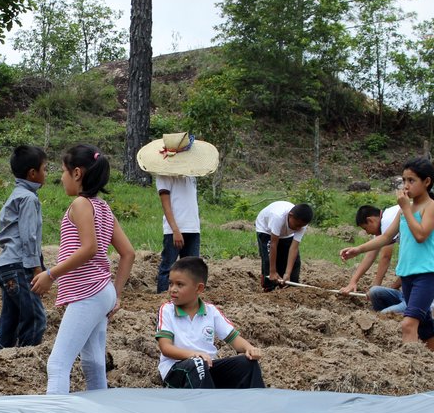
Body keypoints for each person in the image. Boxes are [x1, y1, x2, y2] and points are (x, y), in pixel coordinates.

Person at [31, 145, 135, 395]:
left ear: (77, 173)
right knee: (93, 363)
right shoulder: (103, 207)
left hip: (87, 293)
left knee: (57, 364)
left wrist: (50, 274)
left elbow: (89, 248)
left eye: (64, 172)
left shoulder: (80, 204)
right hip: (103, 291)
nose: (62, 179)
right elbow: (128, 253)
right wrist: (116, 295)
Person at [340, 157, 434, 350]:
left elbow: (421, 234)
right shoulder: (405, 210)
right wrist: (358, 249)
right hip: (408, 274)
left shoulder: (433, 207)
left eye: (411, 181)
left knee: (408, 324)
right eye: (404, 180)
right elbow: (387, 236)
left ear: (427, 182)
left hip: (426, 274)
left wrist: (405, 208)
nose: (406, 186)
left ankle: (411, 369)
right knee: (426, 325)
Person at [155, 257, 265, 389]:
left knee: (248, 363)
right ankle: (208, 406)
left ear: (199, 288)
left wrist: (249, 348)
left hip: (206, 369)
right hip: (176, 371)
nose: (173, 289)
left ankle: (256, 405)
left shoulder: (211, 311)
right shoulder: (167, 310)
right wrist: (193, 355)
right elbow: (165, 348)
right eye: (170, 283)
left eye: (180, 284)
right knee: (197, 363)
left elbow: (234, 339)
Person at [134, 132, 219, 293]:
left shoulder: (190, 176)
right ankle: (162, 299)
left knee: (192, 267)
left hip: (193, 227)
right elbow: (166, 205)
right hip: (175, 229)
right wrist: (175, 230)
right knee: (169, 267)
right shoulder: (164, 177)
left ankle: (190, 298)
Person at [341, 203, 434, 313]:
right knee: (379, 292)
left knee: (423, 269)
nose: (367, 233)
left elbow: (385, 256)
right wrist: (355, 281)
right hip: (412, 284)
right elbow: (374, 250)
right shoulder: (391, 220)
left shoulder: (388, 222)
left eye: (365, 229)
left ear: (370, 220)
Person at [0, 145, 48, 347]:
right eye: (44, 169)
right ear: (32, 174)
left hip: (6, 266)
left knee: (11, 318)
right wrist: (36, 268)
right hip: (20, 266)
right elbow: (29, 236)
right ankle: (25, 358)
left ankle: (0, 355)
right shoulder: (28, 199)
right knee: (36, 318)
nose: (46, 173)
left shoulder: (16, 195)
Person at [255, 201, 313, 291]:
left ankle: (291, 288)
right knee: (268, 261)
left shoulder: (301, 223)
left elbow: (294, 248)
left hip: (286, 233)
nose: (298, 229)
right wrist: (273, 271)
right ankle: (269, 287)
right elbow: (273, 245)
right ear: (290, 215)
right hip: (266, 230)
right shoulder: (277, 216)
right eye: (297, 225)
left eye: (301, 226)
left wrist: (288, 273)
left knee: (295, 263)